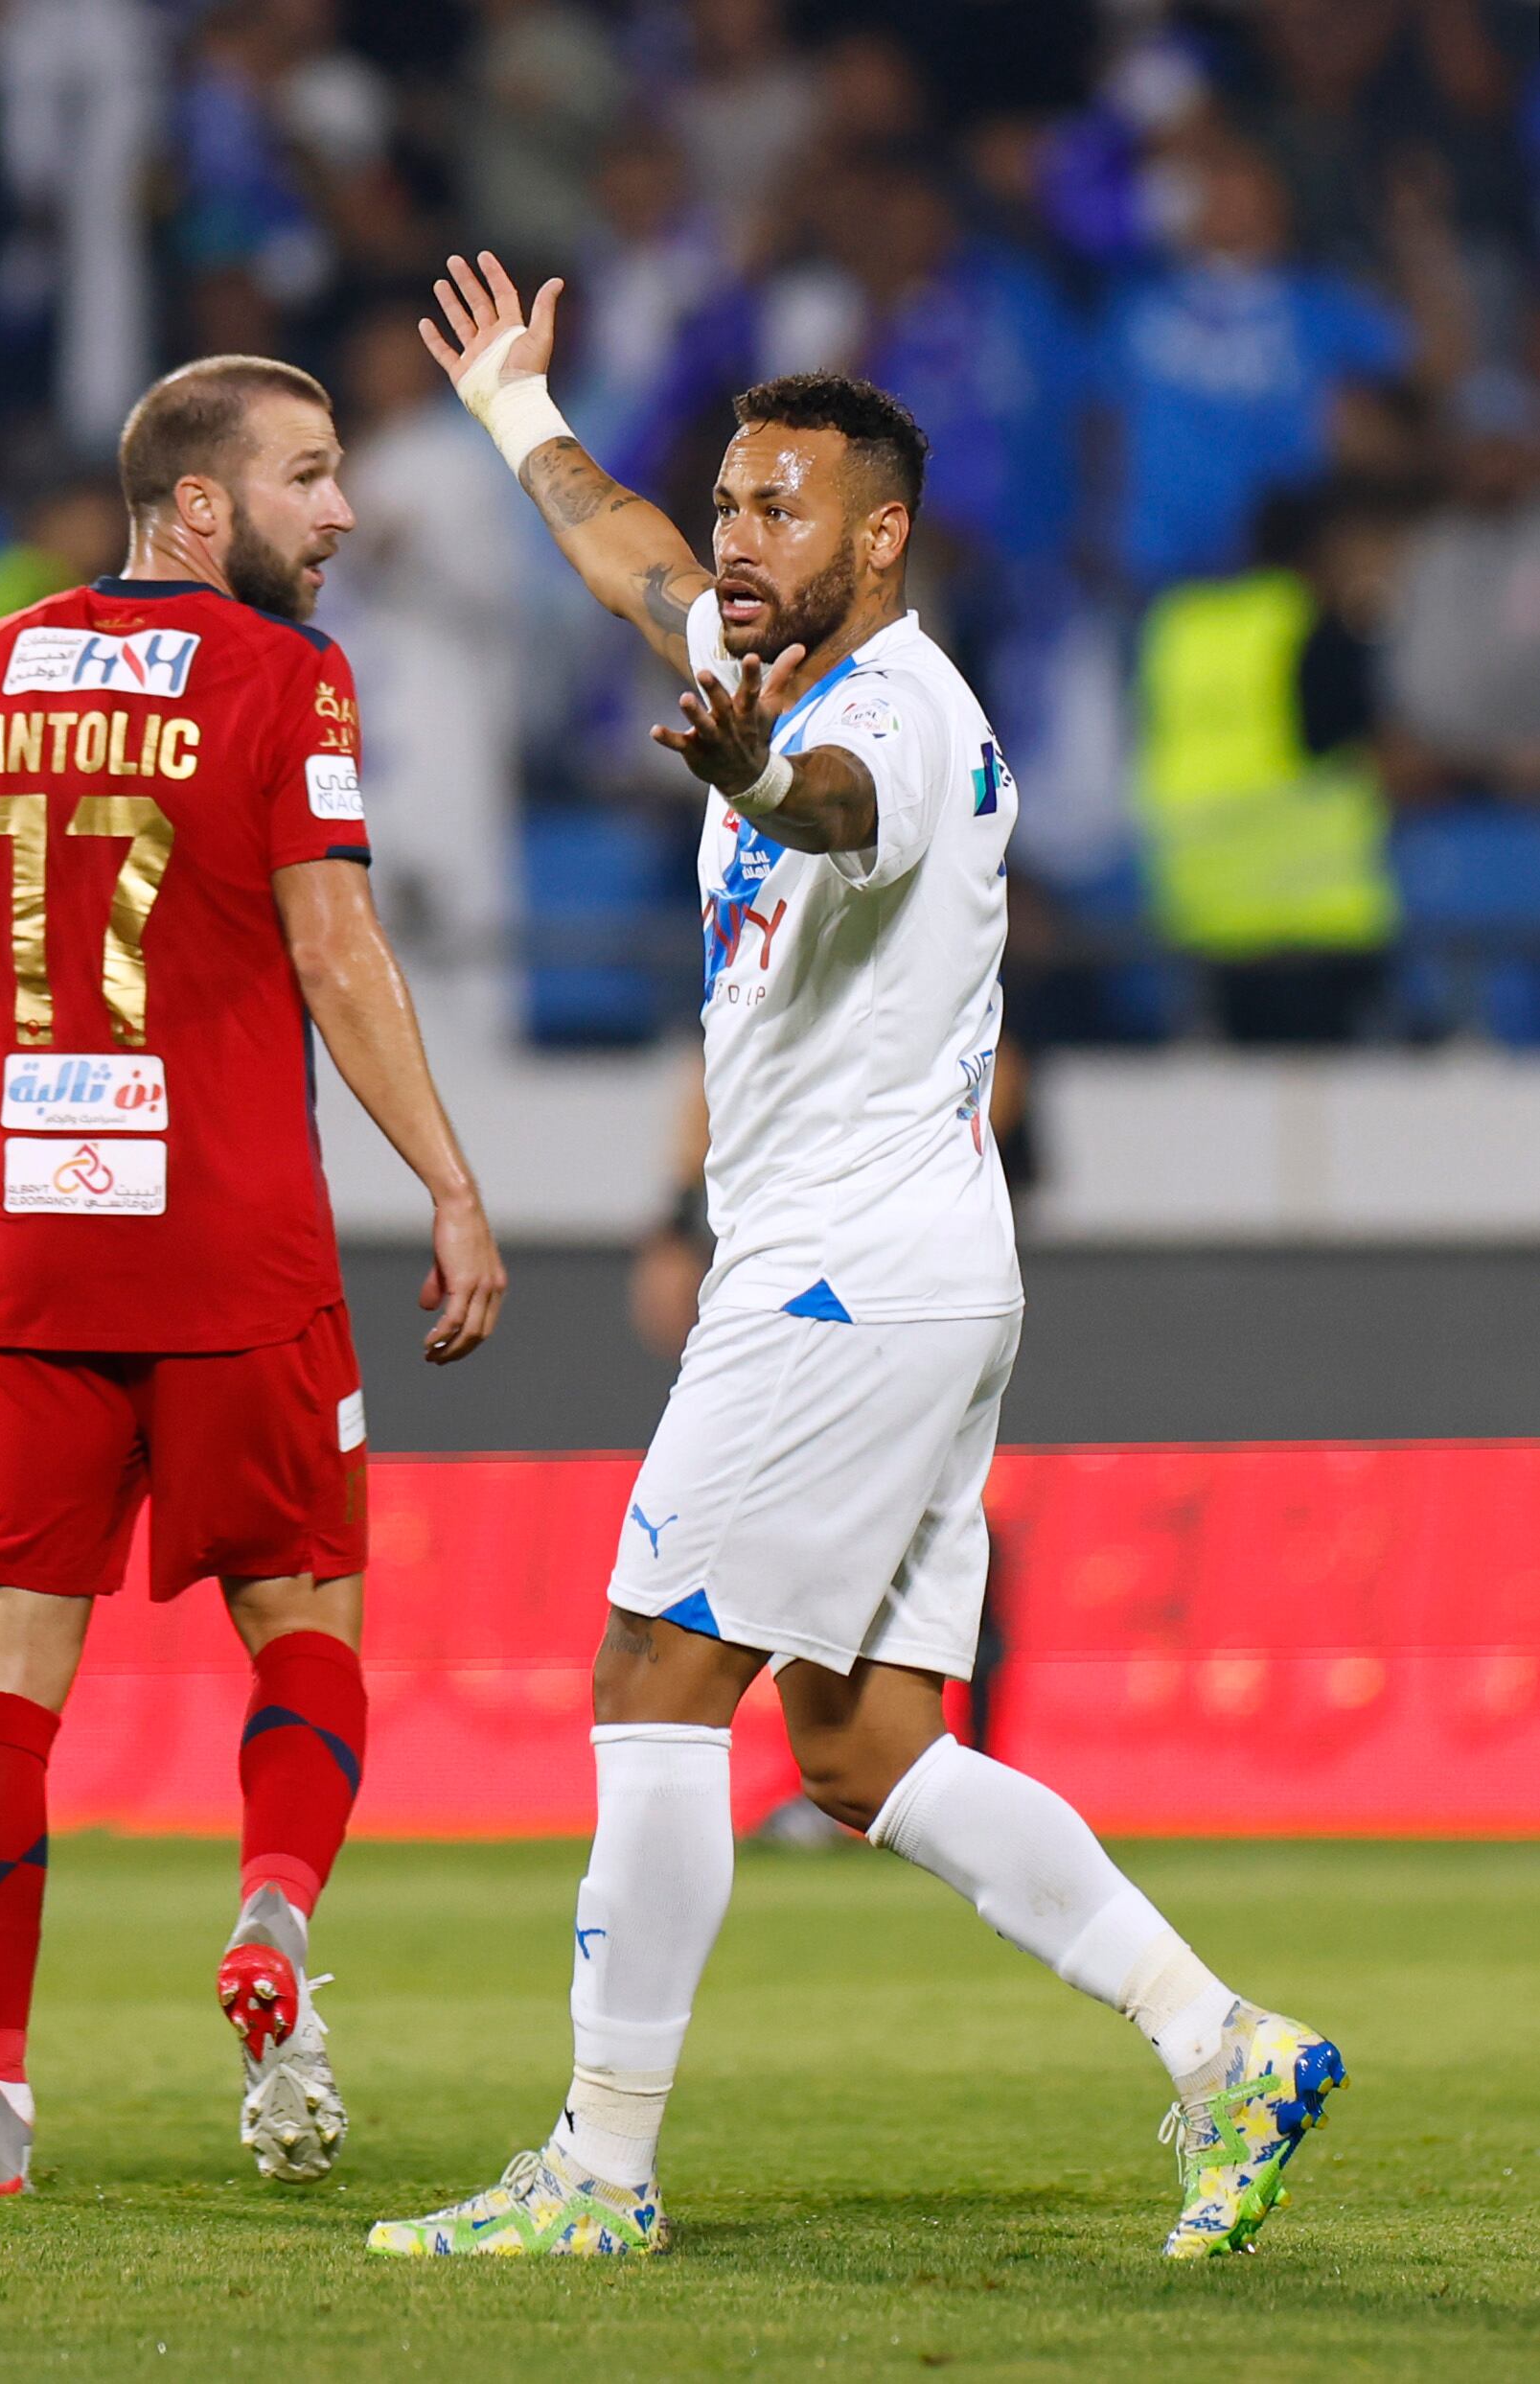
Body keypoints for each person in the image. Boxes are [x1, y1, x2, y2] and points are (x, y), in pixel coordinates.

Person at [370, 252, 1345, 2262]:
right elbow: (625, 562)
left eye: (778, 505)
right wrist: (514, 416)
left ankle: (598, 2167)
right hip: (911, 1275)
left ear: (875, 538)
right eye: (729, 497)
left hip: (838, 1281)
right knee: (860, 1742)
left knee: (649, 1674)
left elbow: (823, 810)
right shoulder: (766, 645)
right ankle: (1217, 2039)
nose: (733, 535)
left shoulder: (890, 712)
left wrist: (739, 774)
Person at [0, 352, 507, 2201]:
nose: (341, 510)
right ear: (199, 507)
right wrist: (447, 1180)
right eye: (308, 476)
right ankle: (274, 1918)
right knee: (306, 1628)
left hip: (33, 1243)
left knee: (6, 1666)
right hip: (233, 1246)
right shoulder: (286, 676)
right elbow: (338, 948)